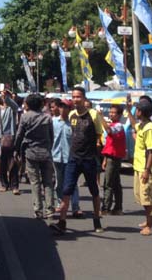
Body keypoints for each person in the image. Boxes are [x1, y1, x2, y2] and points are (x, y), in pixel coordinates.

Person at [51, 87, 105, 234]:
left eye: (78, 97)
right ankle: (62, 222)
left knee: (94, 191)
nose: (75, 99)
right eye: (73, 97)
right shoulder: (72, 115)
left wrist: (98, 157)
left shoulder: (93, 115)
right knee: (66, 190)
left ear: (84, 98)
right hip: (73, 158)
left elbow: (100, 136)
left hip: (89, 159)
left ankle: (97, 220)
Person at [14, 94, 54, 219]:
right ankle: (50, 210)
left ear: (29, 104)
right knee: (48, 182)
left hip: (31, 152)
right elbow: (51, 137)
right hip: (46, 152)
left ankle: (38, 210)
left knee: (35, 182)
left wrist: (16, 149)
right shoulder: (47, 118)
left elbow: (19, 135)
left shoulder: (25, 117)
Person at [131, 101, 152, 235]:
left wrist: (147, 170)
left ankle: (151, 224)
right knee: (141, 197)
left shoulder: (149, 128)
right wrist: (127, 108)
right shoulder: (141, 125)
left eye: (136, 110)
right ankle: (150, 220)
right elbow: (133, 125)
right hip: (138, 166)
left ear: (141, 111)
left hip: (145, 169)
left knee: (147, 198)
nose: (135, 112)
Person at [50, 99, 80, 217]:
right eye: (61, 106)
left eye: (65, 107)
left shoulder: (73, 124)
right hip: (56, 156)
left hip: (70, 158)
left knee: (73, 183)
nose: (62, 109)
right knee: (59, 183)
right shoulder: (53, 122)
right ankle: (60, 204)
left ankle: (75, 207)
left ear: (69, 109)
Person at [100, 105, 127, 216]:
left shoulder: (119, 126)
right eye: (110, 112)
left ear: (119, 115)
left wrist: (101, 117)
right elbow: (109, 144)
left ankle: (105, 208)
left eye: (113, 113)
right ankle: (118, 208)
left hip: (115, 158)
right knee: (115, 183)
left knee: (108, 183)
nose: (111, 114)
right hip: (110, 156)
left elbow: (109, 131)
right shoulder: (113, 124)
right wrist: (105, 159)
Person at [0, 95, 18, 194]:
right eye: (1, 97)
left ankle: (14, 186)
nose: (2, 99)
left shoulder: (12, 109)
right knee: (2, 162)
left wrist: (7, 96)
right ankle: (4, 184)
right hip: (0, 138)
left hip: (11, 137)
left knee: (13, 162)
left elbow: (15, 106)